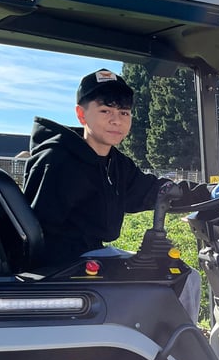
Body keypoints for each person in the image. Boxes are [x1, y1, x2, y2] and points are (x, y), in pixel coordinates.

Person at [23, 68, 206, 316]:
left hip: (91, 256)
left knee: (182, 274)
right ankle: (180, 350)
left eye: (124, 113)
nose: (116, 120)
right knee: (183, 279)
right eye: (105, 111)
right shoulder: (57, 160)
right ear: (81, 114)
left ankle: (169, 344)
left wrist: (204, 193)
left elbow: (152, 190)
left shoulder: (115, 163)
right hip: (65, 268)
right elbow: (36, 230)